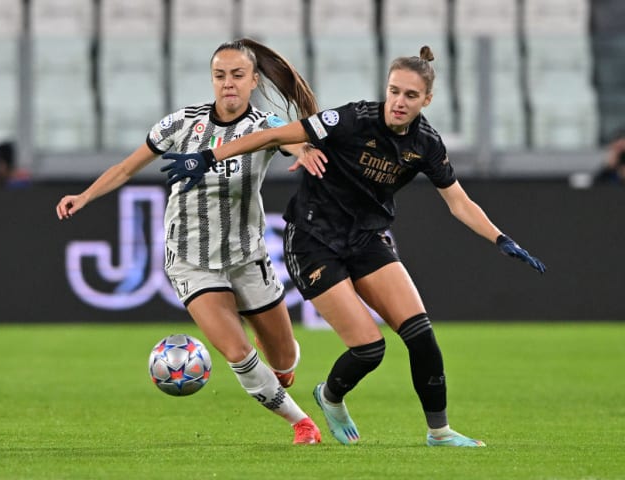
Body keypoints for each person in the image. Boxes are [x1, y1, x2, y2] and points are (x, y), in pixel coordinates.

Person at [161, 46, 547, 447]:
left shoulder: (426, 144)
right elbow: (276, 134)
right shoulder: (352, 119)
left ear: (426, 100)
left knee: (421, 335)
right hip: (313, 240)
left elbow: (459, 202)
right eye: (394, 91)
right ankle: (329, 396)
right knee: (369, 349)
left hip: (366, 239)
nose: (399, 102)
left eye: (410, 96)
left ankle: (440, 432)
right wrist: (208, 155)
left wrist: (500, 238)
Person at [56, 39, 322, 445]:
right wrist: (85, 196)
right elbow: (127, 167)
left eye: (237, 75)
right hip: (191, 259)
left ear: (253, 80)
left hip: (246, 256)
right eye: (220, 76)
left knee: (283, 362)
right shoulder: (182, 124)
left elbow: (295, 142)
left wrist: (305, 151)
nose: (228, 84)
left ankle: (277, 374)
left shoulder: (265, 127)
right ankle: (302, 424)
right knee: (238, 353)